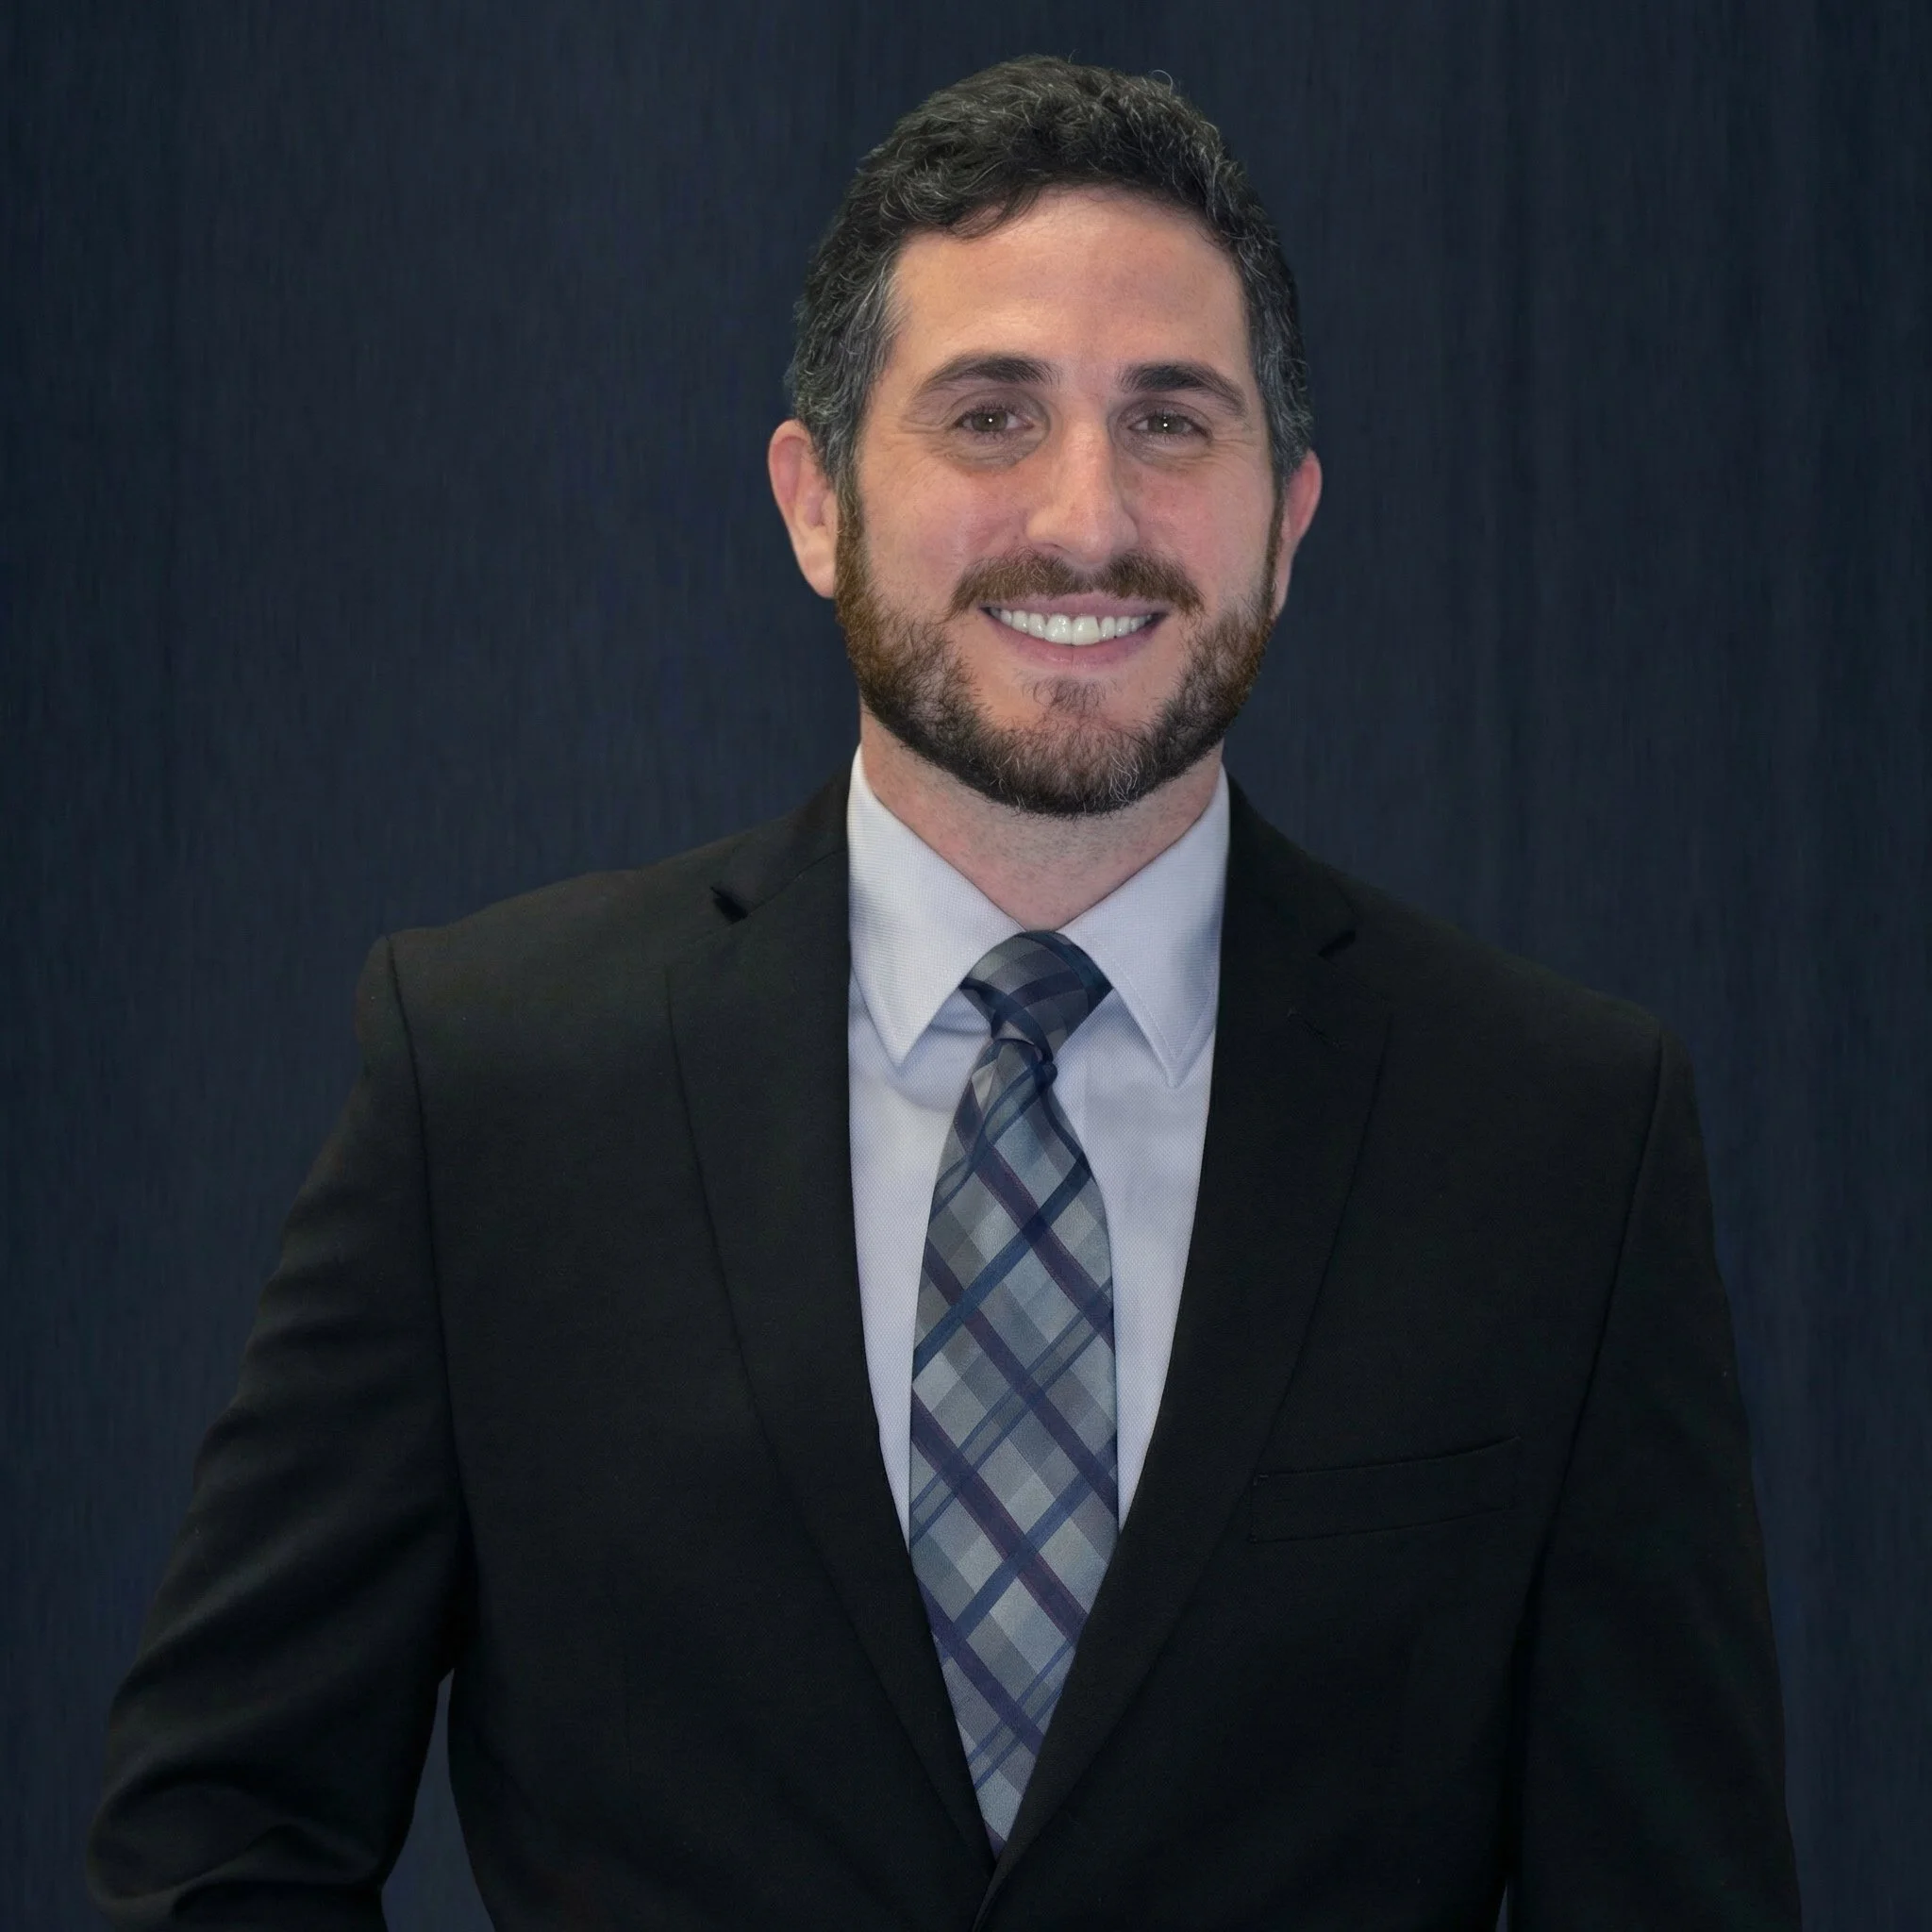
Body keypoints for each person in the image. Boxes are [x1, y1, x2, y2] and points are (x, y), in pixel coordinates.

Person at [89, 56, 1802, 1930]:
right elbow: (222, 1834)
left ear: (1288, 519)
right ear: (811, 501)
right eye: (988, 417)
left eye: (1172, 422)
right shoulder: (490, 1081)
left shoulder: (1556, 1140)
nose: (1086, 516)